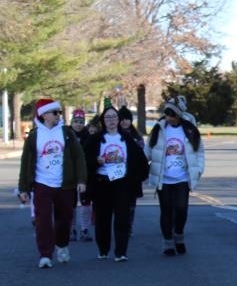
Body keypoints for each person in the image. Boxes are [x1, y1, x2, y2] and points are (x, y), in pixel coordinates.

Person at [17, 98, 87, 268]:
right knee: (43, 221)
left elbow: (78, 157)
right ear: (44, 115)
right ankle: (45, 255)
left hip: (65, 184)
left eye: (59, 112)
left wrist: (81, 180)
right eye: (55, 112)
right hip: (42, 184)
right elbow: (25, 163)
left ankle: (62, 245)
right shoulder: (34, 136)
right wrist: (23, 188)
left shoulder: (67, 133)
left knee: (64, 219)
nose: (58, 115)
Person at [83, 106, 148, 262]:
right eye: (108, 117)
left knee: (122, 218)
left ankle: (121, 252)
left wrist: (136, 177)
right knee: (102, 219)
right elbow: (85, 161)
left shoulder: (127, 139)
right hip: (102, 183)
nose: (111, 120)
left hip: (122, 183)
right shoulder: (95, 139)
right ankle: (103, 250)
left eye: (114, 117)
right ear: (103, 120)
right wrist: (96, 162)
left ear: (118, 120)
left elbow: (140, 160)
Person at [146, 96, 204, 256]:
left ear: (178, 115)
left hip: (183, 178)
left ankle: (179, 235)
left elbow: (200, 151)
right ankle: (168, 243)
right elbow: (148, 150)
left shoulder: (190, 129)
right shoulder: (159, 129)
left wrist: (199, 169)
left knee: (181, 209)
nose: (168, 117)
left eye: (171, 114)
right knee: (166, 211)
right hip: (163, 178)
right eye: (166, 113)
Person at [117, 105, 144, 234]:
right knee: (118, 203)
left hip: (133, 175)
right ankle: (120, 226)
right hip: (117, 174)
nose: (124, 121)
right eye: (122, 119)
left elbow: (142, 155)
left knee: (131, 204)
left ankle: (129, 226)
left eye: (127, 119)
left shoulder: (137, 136)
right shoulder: (114, 135)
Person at [69, 109, 93, 241]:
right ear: (71, 122)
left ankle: (85, 229)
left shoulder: (88, 136)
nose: (78, 124)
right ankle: (71, 229)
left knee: (86, 202)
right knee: (71, 202)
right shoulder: (66, 135)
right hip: (70, 174)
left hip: (85, 173)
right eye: (76, 121)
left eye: (81, 122)